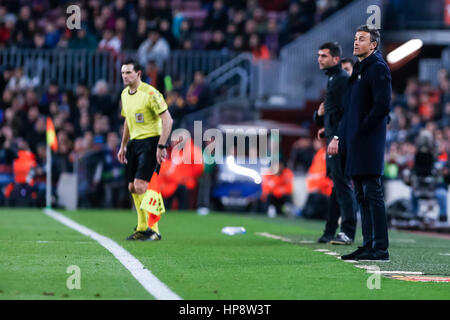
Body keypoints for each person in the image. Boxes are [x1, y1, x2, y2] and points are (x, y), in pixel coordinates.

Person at [330, 25, 392, 261]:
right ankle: (368, 245)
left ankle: (381, 248)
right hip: (355, 141)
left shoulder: (378, 69)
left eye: (362, 39)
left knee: (372, 193)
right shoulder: (358, 70)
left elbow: (382, 106)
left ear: (373, 45)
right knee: (361, 195)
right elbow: (350, 109)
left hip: (369, 141)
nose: (356, 43)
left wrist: (362, 130)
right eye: (356, 39)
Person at [117, 59, 173, 241]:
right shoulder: (125, 94)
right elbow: (127, 120)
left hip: (151, 142)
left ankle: (154, 229)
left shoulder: (151, 93)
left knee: (142, 185)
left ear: (138, 73)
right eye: (123, 73)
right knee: (132, 186)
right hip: (134, 142)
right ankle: (142, 228)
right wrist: (123, 145)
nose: (125, 76)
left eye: (128, 73)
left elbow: (168, 120)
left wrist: (161, 145)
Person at [313, 42, 357, 245]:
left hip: (339, 141)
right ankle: (330, 230)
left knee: (343, 186)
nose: (320, 59)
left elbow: (348, 113)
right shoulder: (333, 78)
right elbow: (332, 112)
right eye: (319, 55)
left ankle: (347, 232)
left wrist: (337, 136)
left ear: (335, 59)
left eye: (324, 55)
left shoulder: (340, 79)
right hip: (333, 137)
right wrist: (325, 126)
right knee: (338, 186)